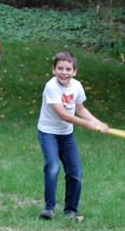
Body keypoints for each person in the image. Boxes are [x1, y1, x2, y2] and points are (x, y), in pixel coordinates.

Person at [37, 51, 108, 221]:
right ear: (54, 70)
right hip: (48, 133)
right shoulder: (51, 87)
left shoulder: (76, 86)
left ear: (74, 71)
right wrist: (86, 124)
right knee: (53, 167)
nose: (64, 72)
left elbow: (80, 108)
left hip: (66, 135)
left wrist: (98, 122)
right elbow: (63, 114)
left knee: (75, 172)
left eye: (68, 69)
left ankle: (71, 210)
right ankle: (49, 209)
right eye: (60, 68)